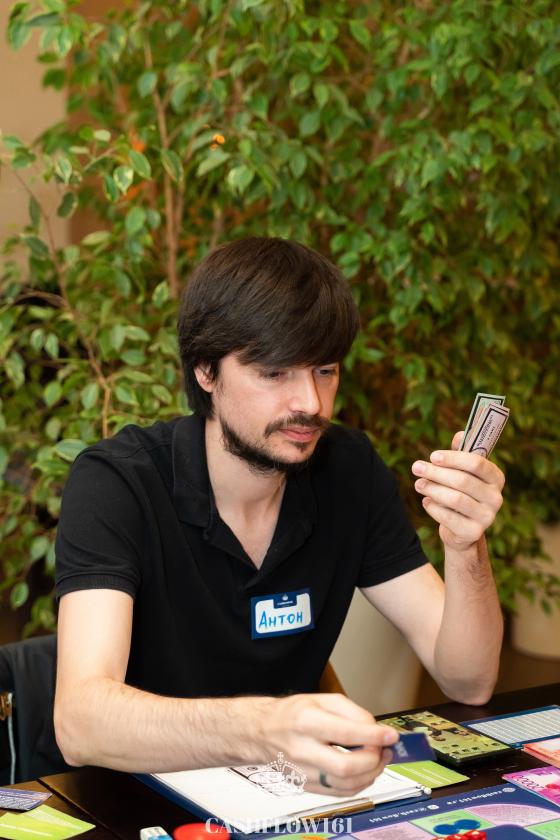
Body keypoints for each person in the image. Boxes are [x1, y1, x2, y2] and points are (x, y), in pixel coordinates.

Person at [54, 237, 504, 796]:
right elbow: (80, 722)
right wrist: (266, 729)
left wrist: (465, 547)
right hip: (137, 804)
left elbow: (470, 680)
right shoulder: (118, 483)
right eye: (274, 373)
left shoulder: (348, 470)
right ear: (205, 371)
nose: (310, 403)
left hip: (290, 799)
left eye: (325, 370)